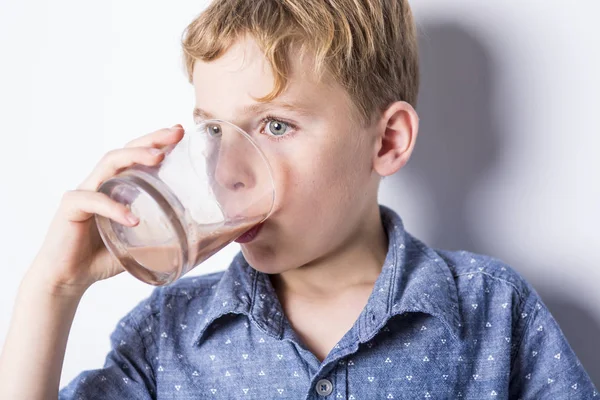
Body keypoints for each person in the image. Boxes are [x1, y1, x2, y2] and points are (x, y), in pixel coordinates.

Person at [0, 0, 597, 398]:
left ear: (387, 141)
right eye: (213, 130)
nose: (226, 170)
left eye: (275, 126)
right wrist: (52, 290)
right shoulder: (168, 332)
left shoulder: (493, 312)